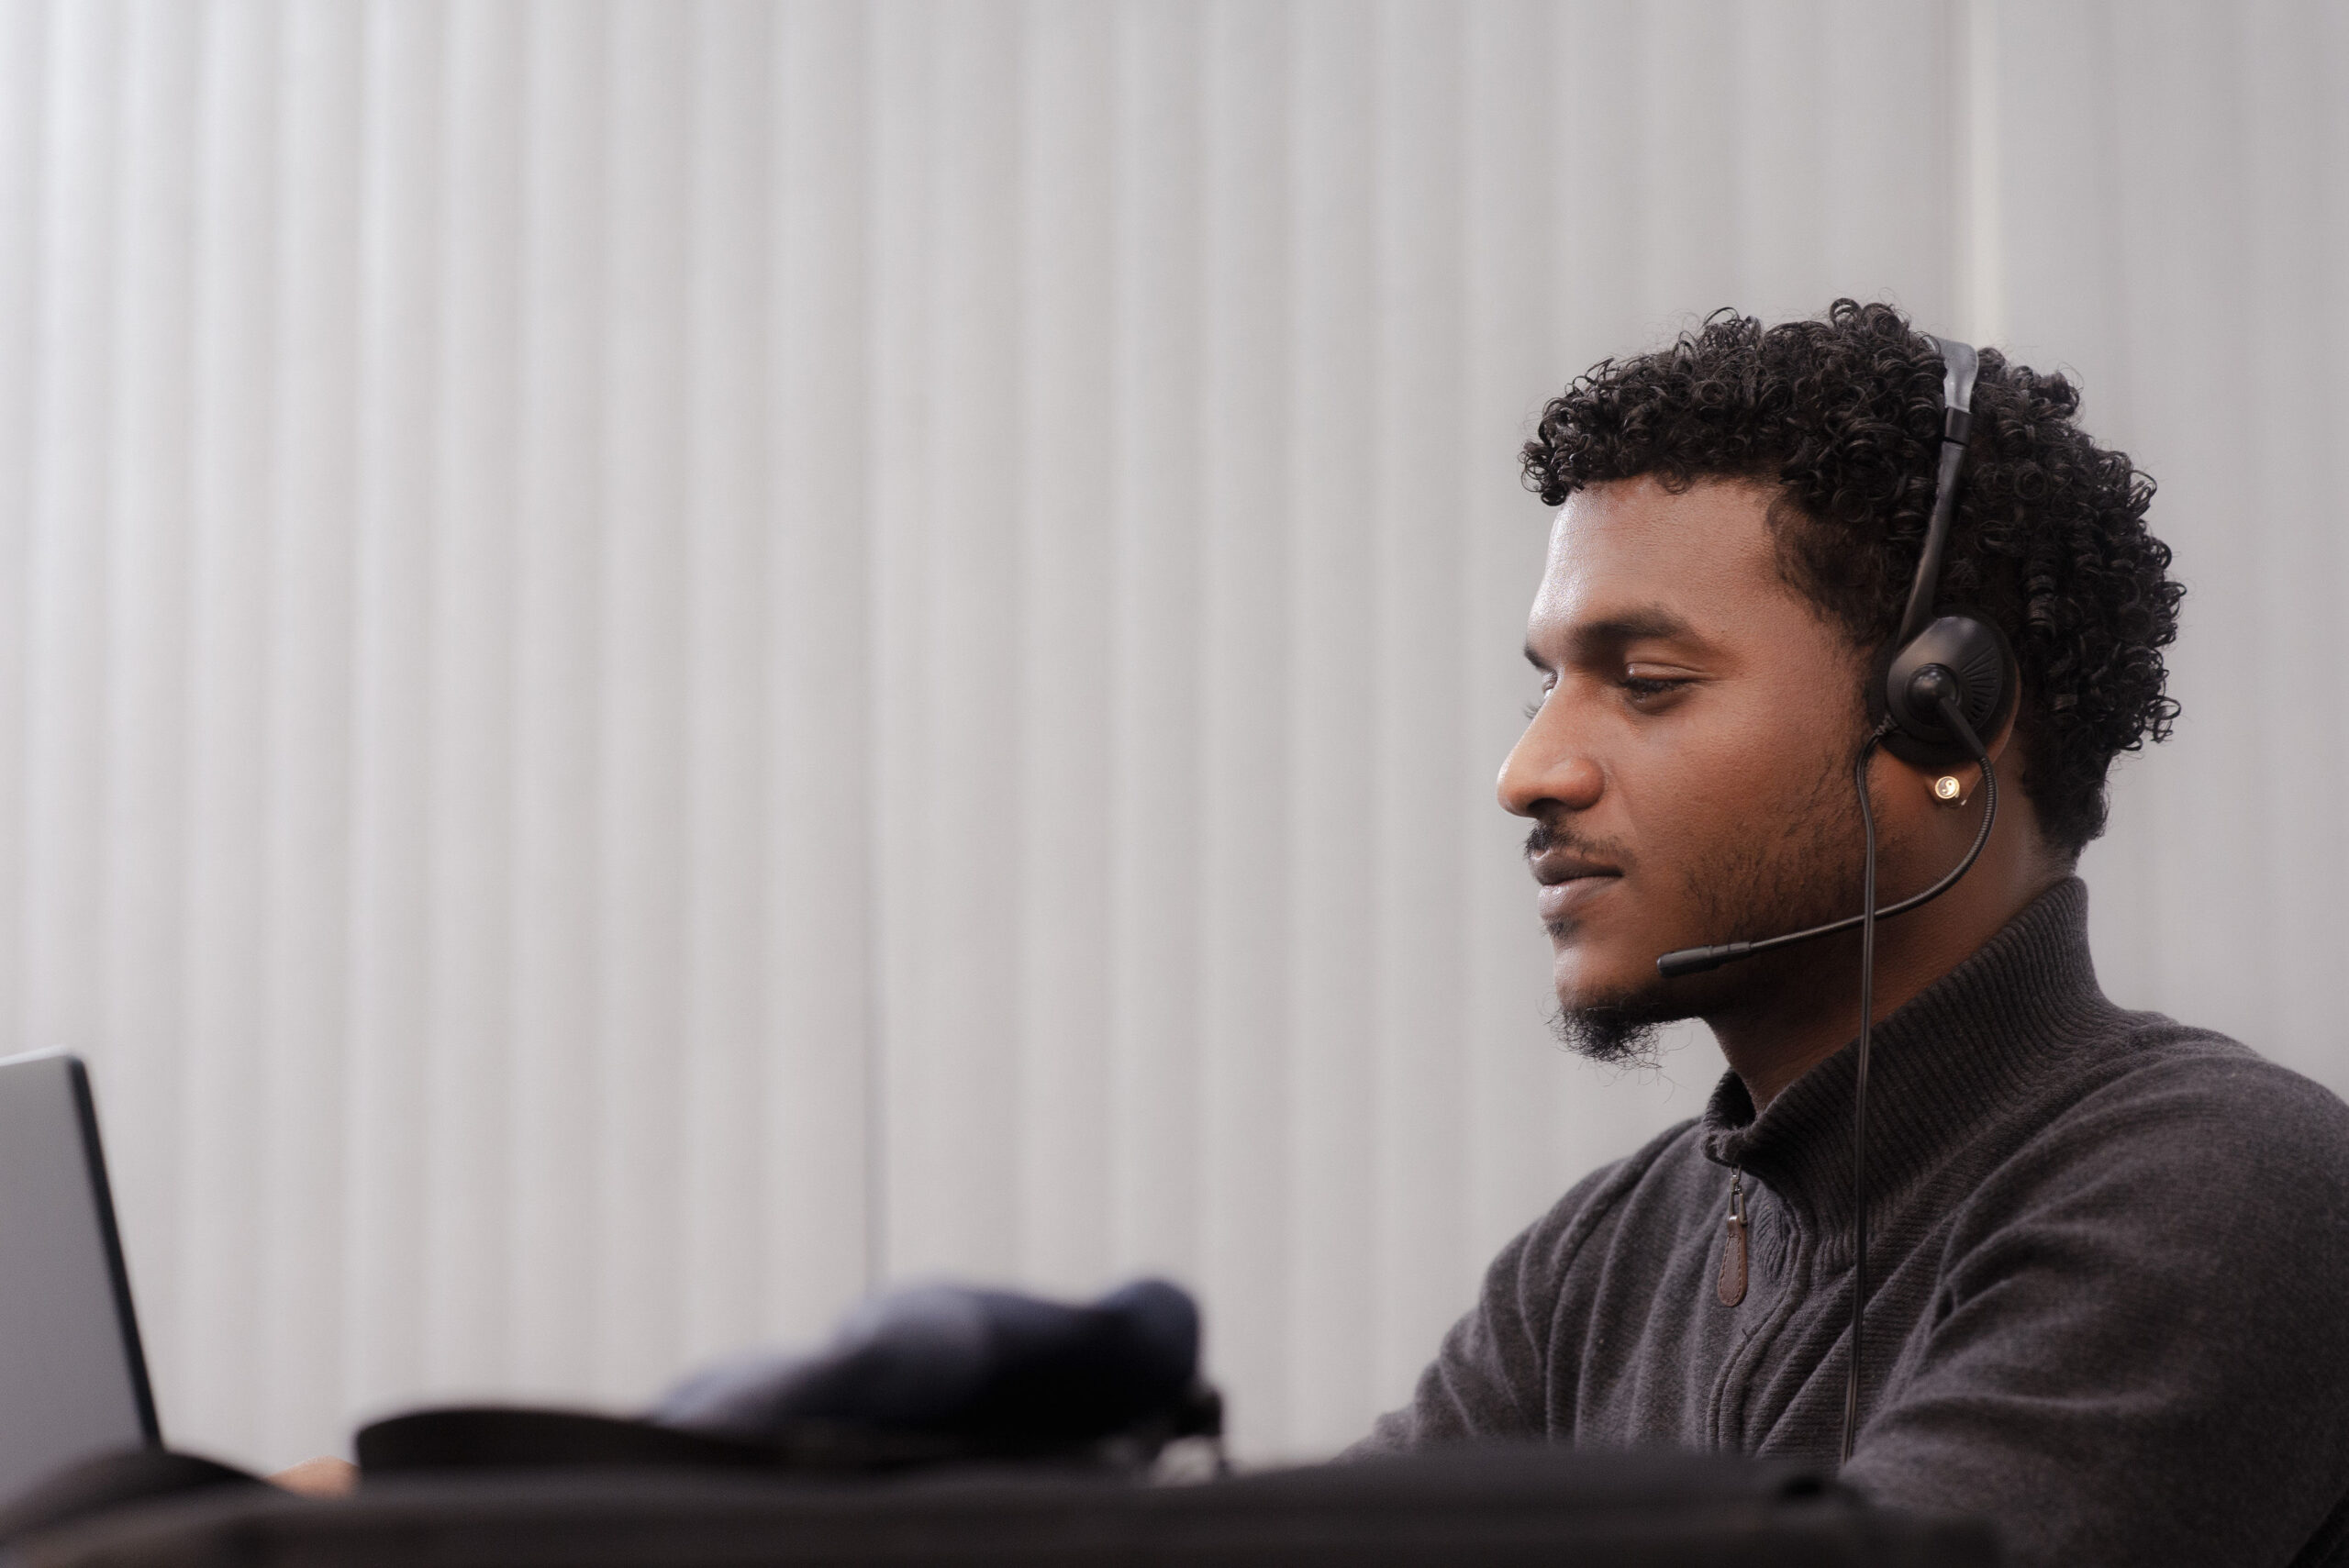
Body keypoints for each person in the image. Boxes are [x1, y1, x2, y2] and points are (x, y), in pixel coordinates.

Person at [1355, 301, 2349, 1568]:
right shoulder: (1600, 1260)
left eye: (1647, 684)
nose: (1529, 772)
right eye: (1545, 687)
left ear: (1941, 717)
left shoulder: (2218, 1187)